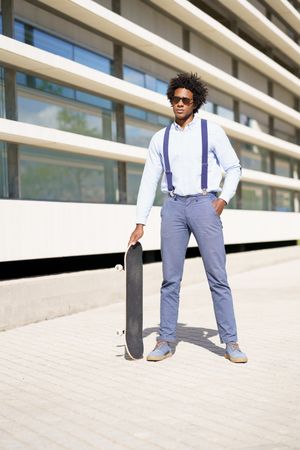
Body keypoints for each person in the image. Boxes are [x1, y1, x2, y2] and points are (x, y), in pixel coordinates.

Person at [128, 72, 247, 364]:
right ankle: (166, 339)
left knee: (218, 276)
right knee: (170, 278)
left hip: (205, 205)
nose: (180, 104)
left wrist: (221, 201)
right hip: (173, 208)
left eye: (186, 100)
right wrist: (140, 222)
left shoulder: (212, 131)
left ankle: (230, 341)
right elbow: (148, 181)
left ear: (195, 103)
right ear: (171, 101)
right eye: (175, 99)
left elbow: (234, 167)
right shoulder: (160, 138)